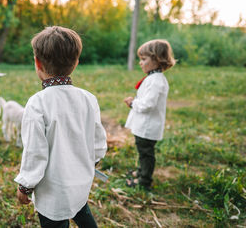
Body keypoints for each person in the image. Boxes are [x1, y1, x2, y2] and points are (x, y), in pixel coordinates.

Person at [15, 26, 107, 228]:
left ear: (37, 63)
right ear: (76, 62)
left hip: (52, 192)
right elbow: (99, 143)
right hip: (80, 183)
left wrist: (25, 185)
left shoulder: (37, 103)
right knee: (80, 208)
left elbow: (35, 152)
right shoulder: (88, 99)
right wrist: (93, 161)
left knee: (57, 221)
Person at [123, 39, 176, 190]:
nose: (141, 63)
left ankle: (144, 181)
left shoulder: (156, 81)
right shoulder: (153, 78)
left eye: (144, 59)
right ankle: (141, 172)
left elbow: (148, 104)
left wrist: (133, 103)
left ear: (157, 60)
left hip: (147, 127)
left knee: (146, 154)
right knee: (143, 152)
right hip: (144, 126)